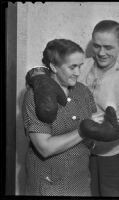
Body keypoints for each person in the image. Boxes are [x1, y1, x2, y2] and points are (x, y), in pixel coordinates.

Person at [22, 39, 98, 196]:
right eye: (72, 67)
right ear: (53, 66)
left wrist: (106, 124)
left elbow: (93, 137)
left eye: (80, 66)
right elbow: (45, 148)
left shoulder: (83, 91)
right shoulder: (35, 97)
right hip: (49, 185)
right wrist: (83, 131)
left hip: (81, 182)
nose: (78, 72)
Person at [78, 20, 119, 197]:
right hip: (81, 151)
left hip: (115, 156)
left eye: (108, 47)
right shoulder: (82, 67)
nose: (101, 53)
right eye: (96, 46)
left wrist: (117, 130)